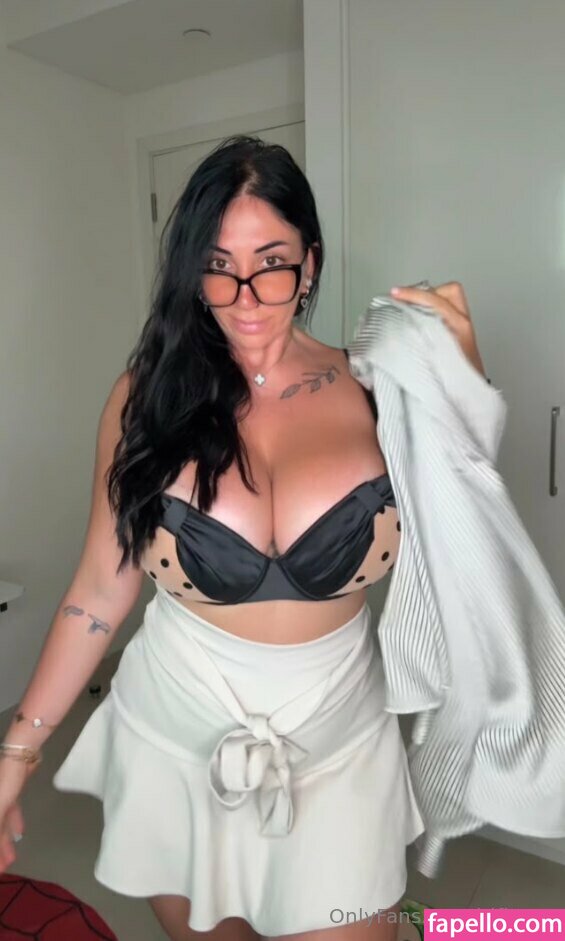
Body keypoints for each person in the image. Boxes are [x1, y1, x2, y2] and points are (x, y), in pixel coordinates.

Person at [0, 135, 487, 941]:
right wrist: (16, 756)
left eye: (272, 262)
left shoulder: (378, 389)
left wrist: (465, 389)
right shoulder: (144, 399)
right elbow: (98, 588)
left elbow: (469, 545)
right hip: (175, 740)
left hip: (340, 745)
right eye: (217, 266)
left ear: (310, 261)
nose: (245, 296)